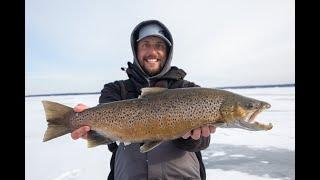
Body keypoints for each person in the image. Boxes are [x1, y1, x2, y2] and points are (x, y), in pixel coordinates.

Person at [71, 19, 216, 180]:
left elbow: (203, 142)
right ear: (136, 50)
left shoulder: (189, 89)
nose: (152, 52)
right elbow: (112, 143)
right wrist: (90, 127)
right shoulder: (116, 90)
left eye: (159, 46)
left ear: (168, 52)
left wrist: (191, 138)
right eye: (145, 45)